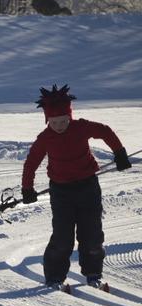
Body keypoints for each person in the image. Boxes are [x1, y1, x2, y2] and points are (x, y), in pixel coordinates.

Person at [20, 84, 130, 289]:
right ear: (47, 120)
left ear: (70, 116)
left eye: (64, 120)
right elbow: (31, 162)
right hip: (61, 192)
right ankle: (54, 277)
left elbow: (105, 131)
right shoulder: (45, 138)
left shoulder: (81, 127)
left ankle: (93, 273)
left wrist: (120, 153)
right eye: (54, 122)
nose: (60, 125)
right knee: (62, 237)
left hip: (88, 187)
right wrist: (27, 189)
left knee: (92, 234)